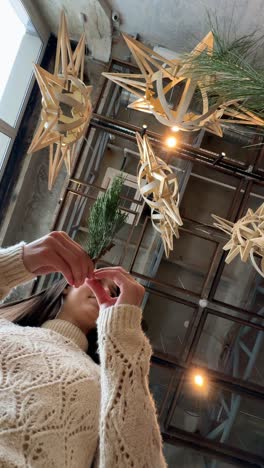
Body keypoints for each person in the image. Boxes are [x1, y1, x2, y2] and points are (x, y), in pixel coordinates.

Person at [0, 231, 167, 467]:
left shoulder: (108, 384)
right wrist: (17, 261)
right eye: (100, 281)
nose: (108, 291)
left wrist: (123, 335)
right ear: (68, 286)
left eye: (116, 293)